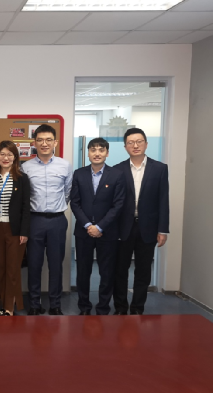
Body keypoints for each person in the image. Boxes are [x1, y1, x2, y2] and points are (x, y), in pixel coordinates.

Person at [114, 128, 170, 315]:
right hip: (123, 228)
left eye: (139, 141)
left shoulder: (160, 168)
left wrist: (163, 229)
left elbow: (163, 200)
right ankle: (120, 307)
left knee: (143, 270)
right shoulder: (117, 169)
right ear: (125, 147)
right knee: (120, 270)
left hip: (148, 228)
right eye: (131, 142)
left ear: (146, 144)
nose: (135, 145)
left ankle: (137, 308)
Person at [71, 138, 126, 316]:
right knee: (83, 271)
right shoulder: (79, 174)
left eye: (101, 150)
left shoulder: (117, 175)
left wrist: (100, 226)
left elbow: (118, 204)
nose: (97, 153)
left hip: (108, 232)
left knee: (107, 272)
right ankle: (84, 307)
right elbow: (75, 203)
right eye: (93, 150)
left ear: (107, 153)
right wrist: (88, 225)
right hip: (83, 231)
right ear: (88, 153)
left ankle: (103, 307)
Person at [21, 124, 72, 316]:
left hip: (57, 221)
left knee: (56, 265)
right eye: (40, 140)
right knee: (34, 265)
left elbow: (68, 192)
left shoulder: (65, 165)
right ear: (34, 143)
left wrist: (57, 207)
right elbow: (25, 196)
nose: (44, 143)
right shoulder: (26, 167)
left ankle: (55, 304)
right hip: (34, 221)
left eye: (48, 140)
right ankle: (34, 304)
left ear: (55, 142)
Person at [0, 141, 31, 316]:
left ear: (15, 157)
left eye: (9, 154)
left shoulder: (22, 179)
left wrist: (24, 232)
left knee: (12, 269)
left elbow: (26, 207)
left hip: (15, 229)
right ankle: (1, 302)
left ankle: (9, 307)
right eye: (2, 154)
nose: (5, 158)